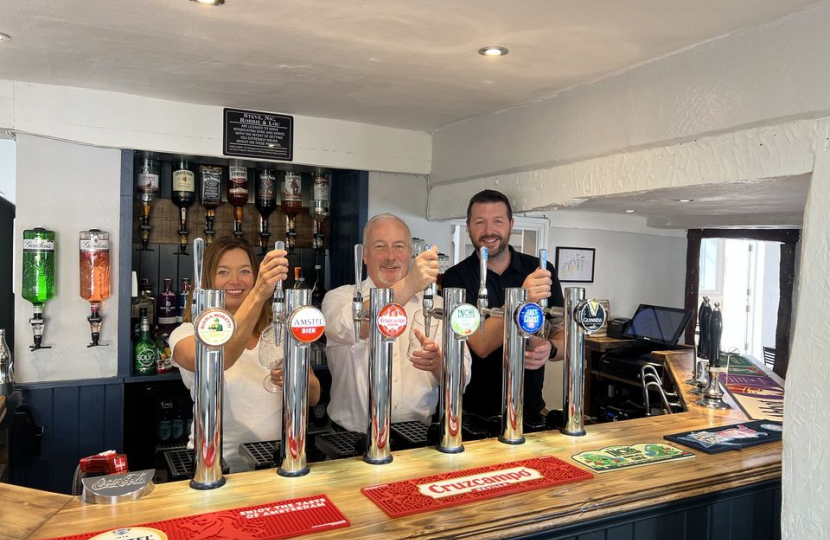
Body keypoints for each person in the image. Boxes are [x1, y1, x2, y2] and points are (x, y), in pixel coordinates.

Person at [169, 237, 321, 472]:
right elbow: (222, 356)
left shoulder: (278, 331)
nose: (235, 280)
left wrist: (297, 379)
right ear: (208, 280)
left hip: (277, 462)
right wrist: (259, 293)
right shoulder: (187, 334)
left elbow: (313, 396)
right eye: (223, 272)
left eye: (245, 271)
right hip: (217, 467)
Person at [322, 213, 472, 434]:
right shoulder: (339, 298)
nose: (390, 256)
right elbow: (351, 326)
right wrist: (409, 285)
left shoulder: (438, 306)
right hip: (351, 437)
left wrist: (438, 364)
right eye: (380, 247)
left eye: (399, 247)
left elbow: (460, 380)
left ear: (410, 253)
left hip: (417, 436)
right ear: (365, 255)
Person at [441, 190, 564, 420]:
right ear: (468, 226)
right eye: (480, 222)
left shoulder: (540, 270)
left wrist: (551, 348)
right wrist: (521, 299)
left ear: (511, 224)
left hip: (529, 409)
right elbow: (481, 344)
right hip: (472, 413)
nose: (489, 231)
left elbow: (562, 332)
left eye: (497, 221)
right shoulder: (455, 279)